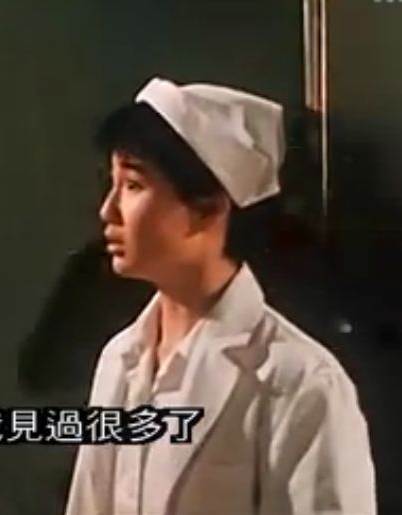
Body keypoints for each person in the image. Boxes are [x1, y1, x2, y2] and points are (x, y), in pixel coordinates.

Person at [64, 77, 375, 515]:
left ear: (208, 206)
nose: (108, 210)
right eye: (111, 183)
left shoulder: (299, 383)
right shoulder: (121, 358)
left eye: (133, 185)